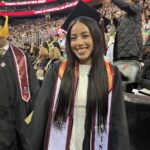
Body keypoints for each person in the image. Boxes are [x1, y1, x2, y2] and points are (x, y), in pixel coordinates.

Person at [28, 1, 130, 150]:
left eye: (85, 35)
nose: (79, 42)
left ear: (95, 37)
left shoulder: (111, 74)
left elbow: (118, 124)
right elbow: (40, 115)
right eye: (73, 37)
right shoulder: (57, 71)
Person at [0, 16, 40, 150]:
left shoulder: (21, 57)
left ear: (6, 32)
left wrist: (34, 116)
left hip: (21, 118)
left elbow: (34, 89)